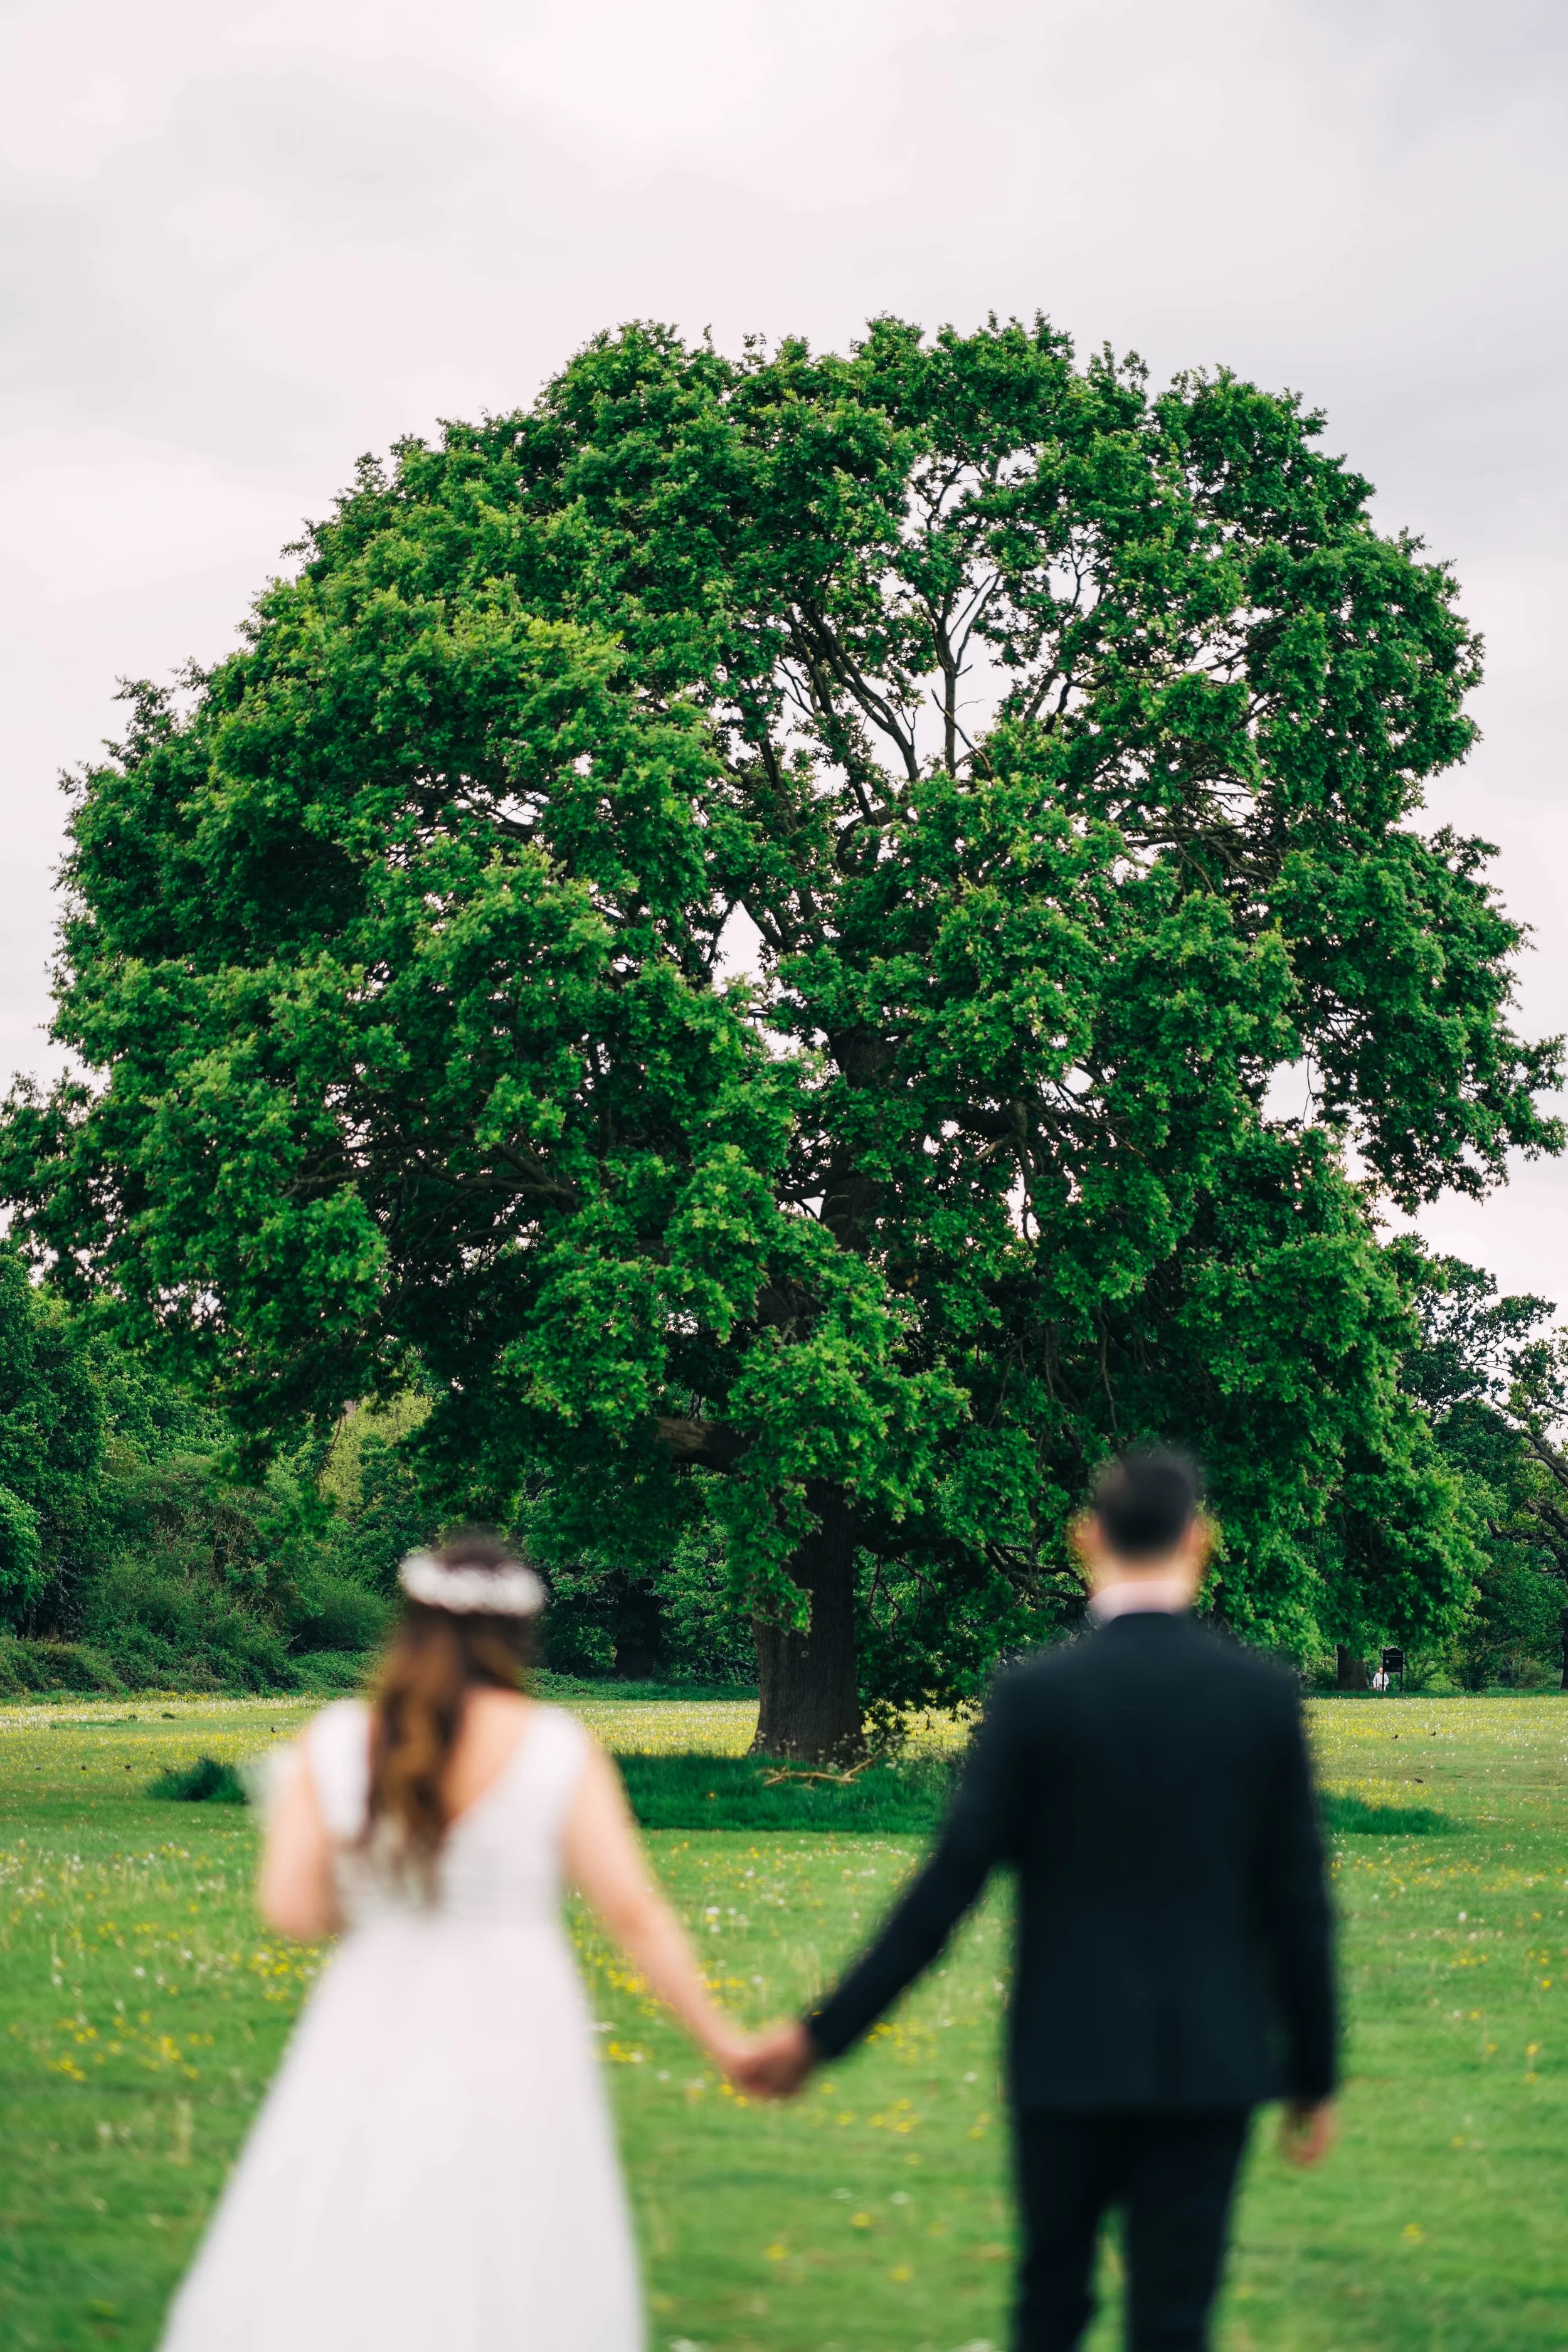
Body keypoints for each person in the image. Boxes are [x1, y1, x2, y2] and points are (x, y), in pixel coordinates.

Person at [738, 1449, 1338, 2352]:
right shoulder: (1258, 1698)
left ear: (1086, 1539)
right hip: (1210, 2060)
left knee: (1049, 2309)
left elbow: (946, 1890)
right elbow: (1298, 1901)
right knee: (1175, 2322)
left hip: (1067, 2054)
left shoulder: (1037, 1695)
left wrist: (823, 2035)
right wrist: (1315, 2071)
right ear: (1200, 1542)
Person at [161, 1535, 755, 2352]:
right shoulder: (555, 1748)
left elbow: (292, 1911)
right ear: (518, 1637)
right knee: (510, 2237)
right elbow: (635, 1913)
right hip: (517, 2018)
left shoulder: (340, 1739)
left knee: (354, 2220)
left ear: (409, 1622)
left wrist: (379, 1900)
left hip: (372, 2007)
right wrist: (724, 2040)